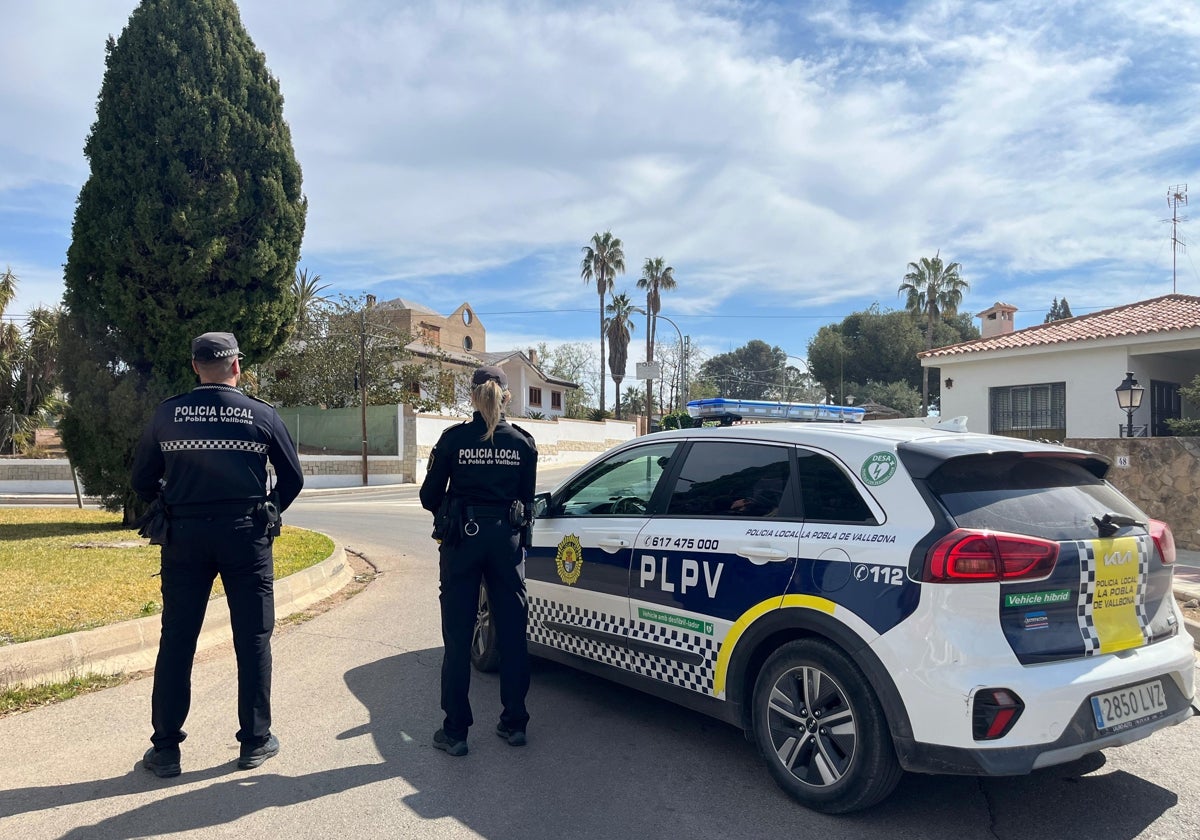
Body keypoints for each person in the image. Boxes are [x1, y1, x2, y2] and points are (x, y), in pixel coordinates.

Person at [131, 331, 304, 778]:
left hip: (184, 537)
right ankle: (255, 741)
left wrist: (171, 499)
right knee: (252, 638)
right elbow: (293, 478)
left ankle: (166, 750)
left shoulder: (168, 415)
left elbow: (141, 480)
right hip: (245, 536)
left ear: (195, 366)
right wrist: (269, 509)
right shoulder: (261, 415)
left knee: (178, 640)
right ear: (236, 366)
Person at [419, 365, 538, 756]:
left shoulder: (453, 440)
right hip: (506, 542)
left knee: (457, 637)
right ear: (506, 395)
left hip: (461, 542)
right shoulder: (523, 443)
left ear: (472, 396)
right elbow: (527, 499)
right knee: (512, 633)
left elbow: (428, 496)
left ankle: (455, 732)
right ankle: (515, 722)